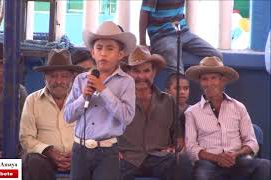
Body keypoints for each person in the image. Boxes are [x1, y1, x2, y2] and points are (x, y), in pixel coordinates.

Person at [63, 21, 136, 180]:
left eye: (110, 48)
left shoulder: (126, 82)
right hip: (79, 148)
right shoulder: (81, 79)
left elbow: (127, 117)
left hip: (107, 151)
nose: (103, 53)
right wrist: (83, 97)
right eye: (99, 48)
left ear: (120, 54)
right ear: (92, 53)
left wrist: (103, 90)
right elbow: (68, 116)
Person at [184, 56, 271, 180]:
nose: (209, 83)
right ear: (200, 82)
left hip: (237, 161)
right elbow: (191, 148)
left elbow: (252, 142)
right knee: (201, 175)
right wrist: (217, 158)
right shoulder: (191, 112)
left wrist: (235, 154)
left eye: (213, 78)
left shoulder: (238, 107)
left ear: (222, 80)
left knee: (265, 166)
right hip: (208, 163)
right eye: (204, 79)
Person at [118, 45, 191, 180]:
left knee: (182, 162)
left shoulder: (168, 101)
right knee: (108, 166)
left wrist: (175, 148)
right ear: (128, 73)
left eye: (146, 71)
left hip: (158, 157)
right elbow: (103, 130)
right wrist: (111, 151)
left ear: (154, 72)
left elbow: (178, 137)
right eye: (136, 71)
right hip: (126, 158)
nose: (141, 76)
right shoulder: (117, 100)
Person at [19, 49, 84, 180]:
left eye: (64, 76)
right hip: (44, 159)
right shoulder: (32, 100)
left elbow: (92, 134)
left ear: (72, 78)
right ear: (45, 78)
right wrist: (49, 151)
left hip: (79, 156)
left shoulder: (83, 100)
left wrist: (77, 154)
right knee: (32, 161)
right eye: (53, 76)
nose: (59, 81)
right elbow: (26, 138)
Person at [139, 0, 223, 73]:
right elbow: (144, 12)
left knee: (216, 55)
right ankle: (178, 88)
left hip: (183, 32)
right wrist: (142, 42)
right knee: (177, 67)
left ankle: (208, 88)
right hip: (161, 36)